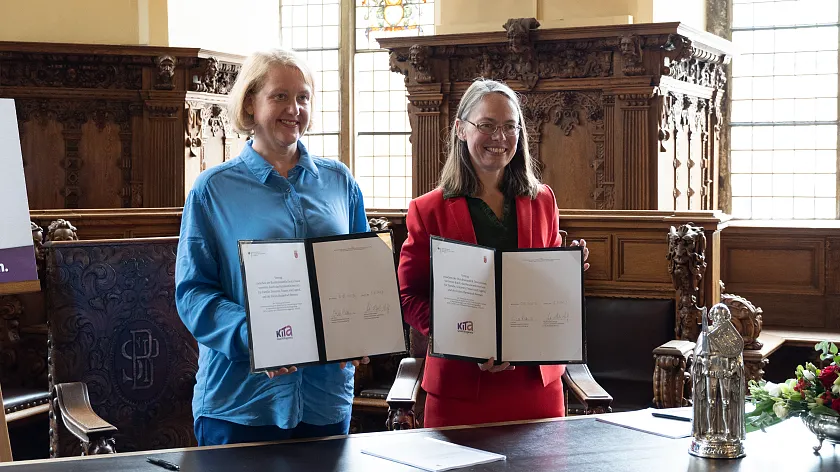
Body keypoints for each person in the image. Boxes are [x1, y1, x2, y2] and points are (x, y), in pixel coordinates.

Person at [175, 48, 369, 446]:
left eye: (303, 97)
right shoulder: (213, 189)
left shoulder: (339, 182)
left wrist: (364, 328)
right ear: (250, 101)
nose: (294, 108)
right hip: (241, 400)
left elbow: (360, 277)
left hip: (325, 397)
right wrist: (256, 336)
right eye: (280, 95)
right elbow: (193, 293)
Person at [397, 78, 589, 428]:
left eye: (509, 126)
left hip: (534, 385)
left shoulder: (543, 200)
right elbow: (409, 296)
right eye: (486, 125)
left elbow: (545, 290)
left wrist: (569, 271)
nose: (499, 137)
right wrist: (463, 338)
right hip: (460, 388)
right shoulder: (428, 210)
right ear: (460, 129)